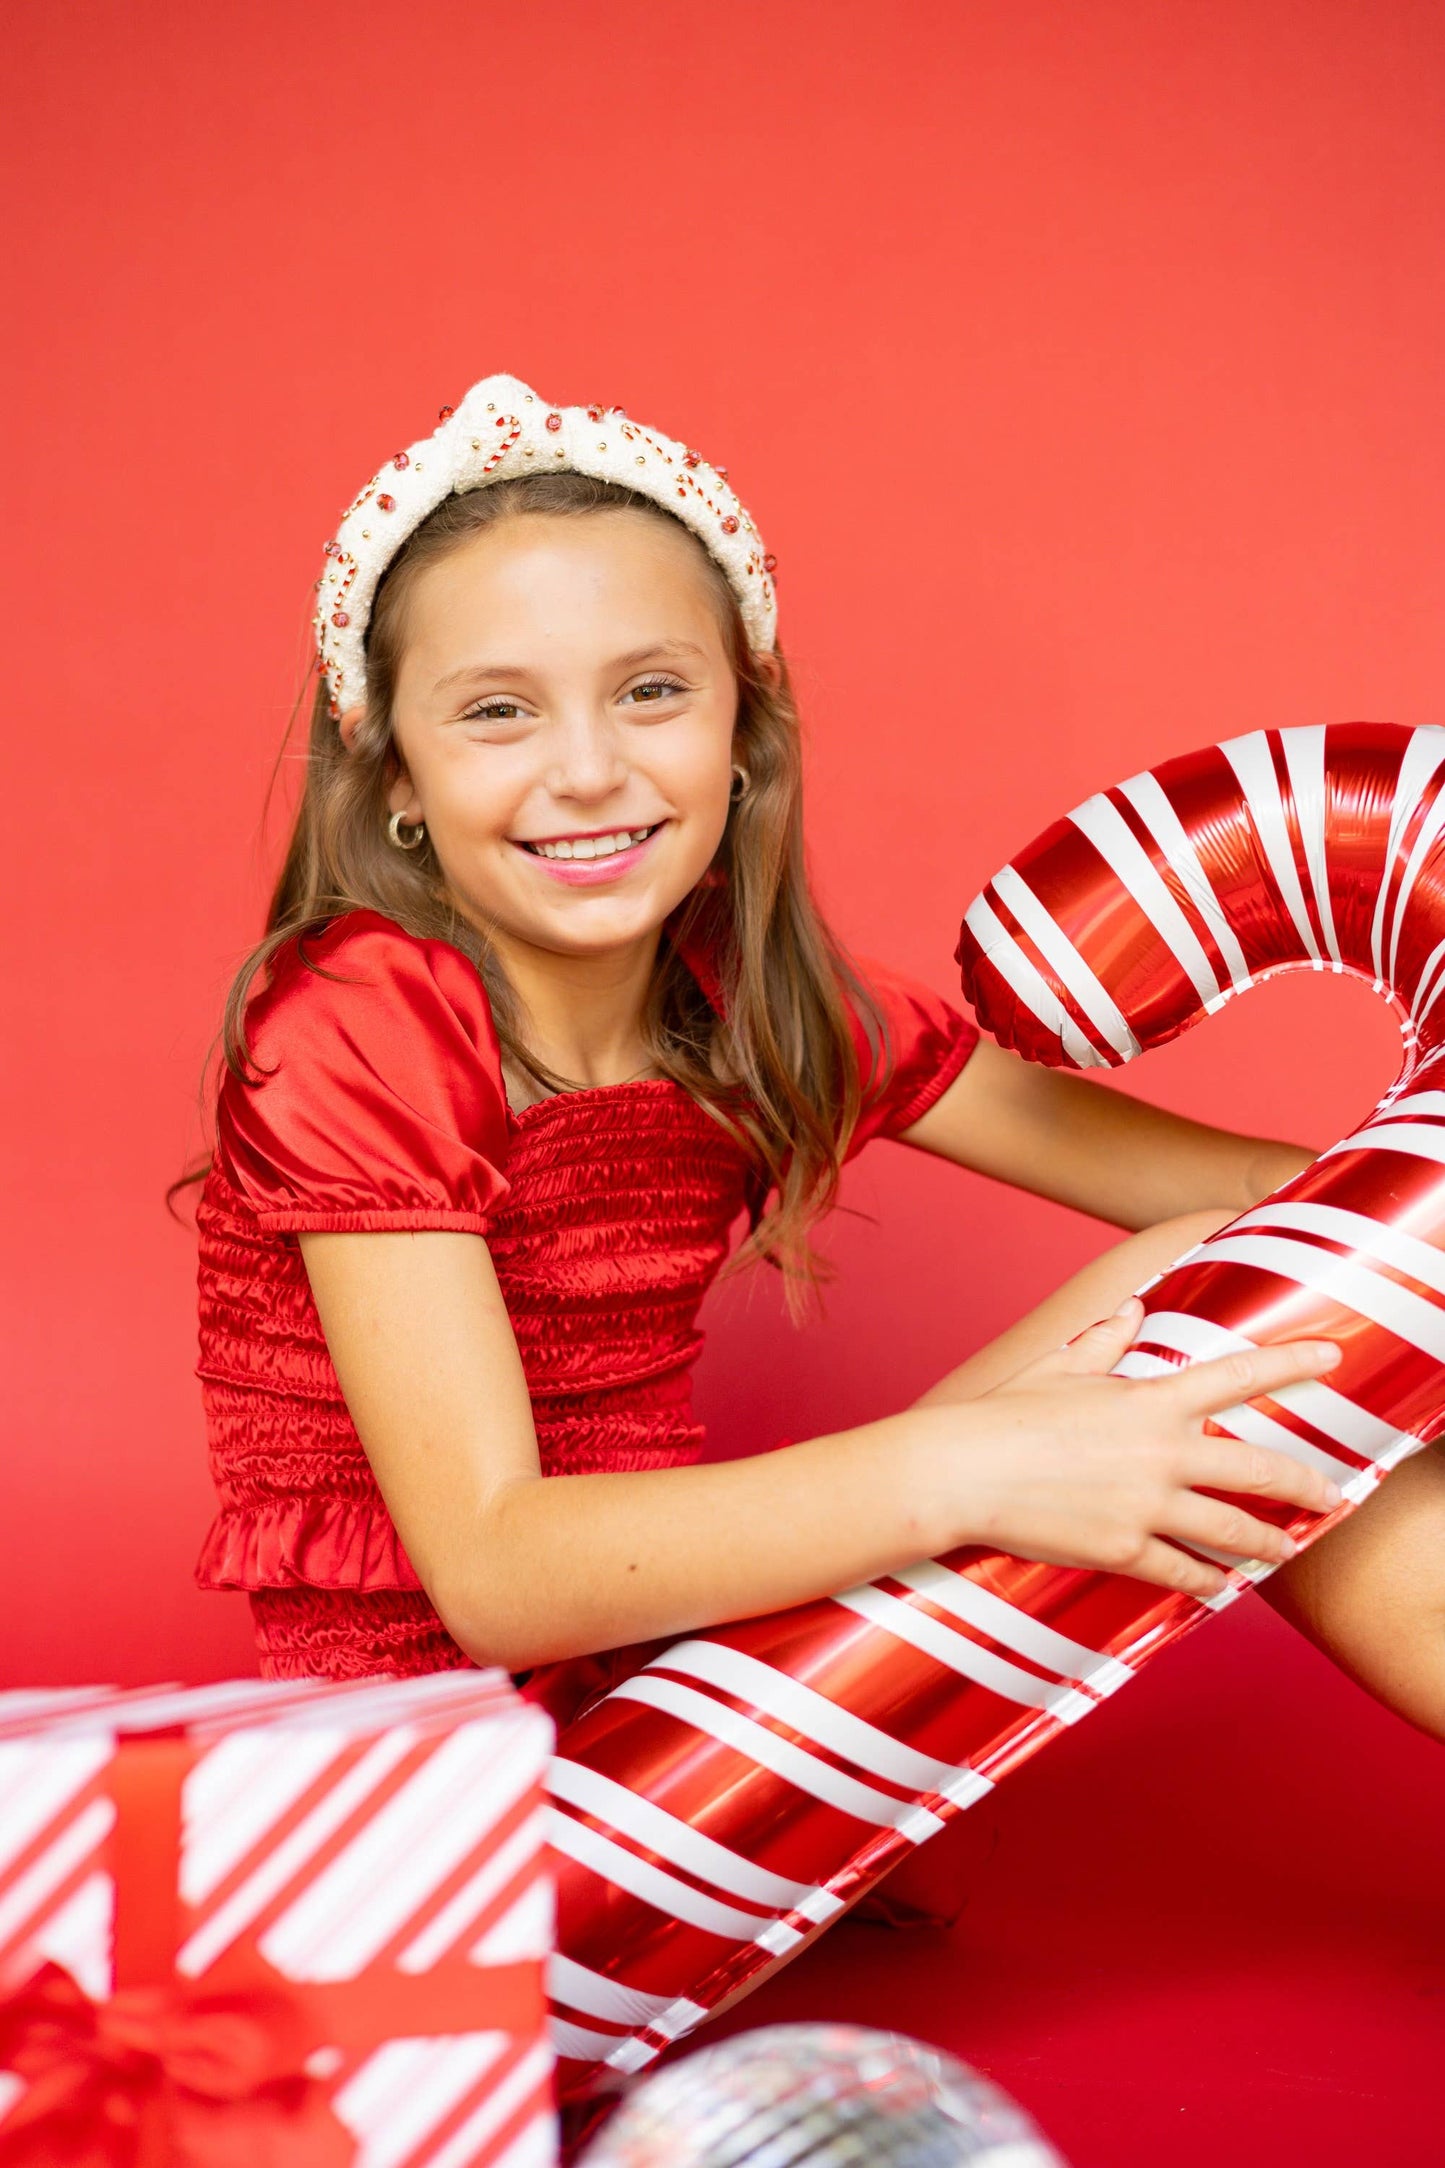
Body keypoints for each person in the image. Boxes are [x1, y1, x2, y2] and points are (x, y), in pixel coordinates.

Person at [184, 373, 1437, 1932]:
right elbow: (497, 1576)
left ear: (744, 730)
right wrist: (971, 1467)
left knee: (1244, 1289)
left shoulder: (747, 993)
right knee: (1213, 1312)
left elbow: (1272, 1205)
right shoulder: (357, 1019)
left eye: (651, 692)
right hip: (449, 1799)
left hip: (683, 1661)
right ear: (396, 779)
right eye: (498, 710)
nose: (586, 769)